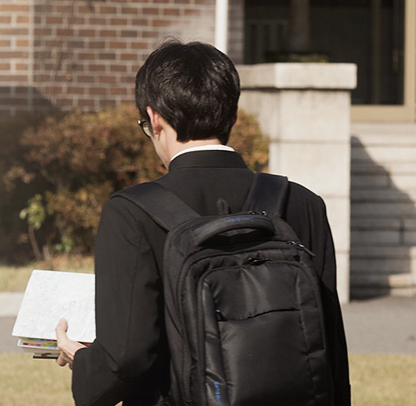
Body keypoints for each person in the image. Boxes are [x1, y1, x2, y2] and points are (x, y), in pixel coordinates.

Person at [52, 40, 351, 406]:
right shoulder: (302, 204)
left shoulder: (131, 211)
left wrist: (81, 360)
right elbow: (329, 341)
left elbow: (127, 357)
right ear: (233, 115)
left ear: (156, 119)